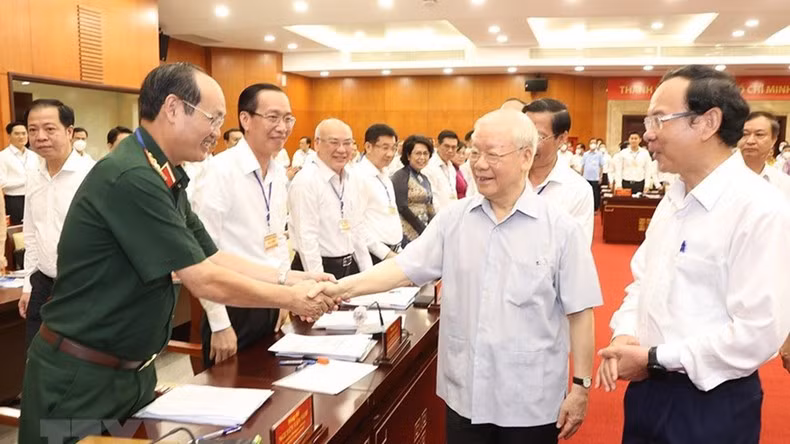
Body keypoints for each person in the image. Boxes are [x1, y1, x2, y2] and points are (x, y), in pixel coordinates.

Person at [18, 63, 338, 443]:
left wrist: (294, 278)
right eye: (212, 118)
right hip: (82, 380)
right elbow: (201, 277)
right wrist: (293, 298)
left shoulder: (163, 174)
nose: (217, 132)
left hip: (130, 374)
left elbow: (211, 255)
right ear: (173, 108)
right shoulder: (132, 177)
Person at [326, 109, 601, 444]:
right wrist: (340, 288)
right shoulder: (454, 219)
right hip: (466, 396)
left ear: (526, 157)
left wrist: (581, 387)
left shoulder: (561, 229)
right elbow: (403, 269)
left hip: (531, 399)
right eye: (474, 152)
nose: (480, 164)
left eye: (492, 154)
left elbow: (580, 312)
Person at [597, 65, 790, 444]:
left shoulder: (761, 208)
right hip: (647, 390)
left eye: (659, 119)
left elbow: (758, 332)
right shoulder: (674, 198)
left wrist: (656, 358)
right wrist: (625, 334)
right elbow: (643, 282)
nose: (648, 133)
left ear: (707, 123)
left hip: (711, 402)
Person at [192, 83, 314, 367]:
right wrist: (219, 323)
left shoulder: (277, 173)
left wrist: (284, 298)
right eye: (272, 117)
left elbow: (279, 239)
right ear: (245, 120)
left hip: (271, 298)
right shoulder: (219, 171)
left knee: (269, 389)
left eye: (288, 119)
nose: (282, 127)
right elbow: (201, 253)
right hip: (233, 305)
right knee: (231, 392)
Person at [17, 99, 95, 353]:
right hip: (43, 283)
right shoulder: (33, 175)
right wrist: (28, 285)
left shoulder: (91, 175)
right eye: (32, 130)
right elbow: (31, 234)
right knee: (36, 356)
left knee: (78, 361)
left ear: (69, 132)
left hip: (84, 285)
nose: (40, 137)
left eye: (49, 129)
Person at [288, 118, 373, 279]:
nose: (342, 150)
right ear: (317, 144)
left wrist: (368, 274)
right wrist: (321, 283)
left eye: (347, 143)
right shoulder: (306, 181)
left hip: (349, 267)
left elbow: (357, 228)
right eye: (334, 142)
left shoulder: (352, 177)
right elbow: (307, 239)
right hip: (317, 270)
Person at [524, 98, 594, 246]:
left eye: (538, 137)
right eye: (524, 134)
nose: (527, 144)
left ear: (562, 138)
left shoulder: (578, 190)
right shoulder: (506, 177)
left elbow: (577, 250)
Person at [356, 123, 403, 265]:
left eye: (393, 148)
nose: (390, 154)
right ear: (368, 147)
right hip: (375, 256)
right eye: (385, 148)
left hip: (394, 252)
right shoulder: (359, 176)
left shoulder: (384, 174)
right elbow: (357, 226)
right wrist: (386, 254)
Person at [392, 135, 436, 246]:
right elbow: (402, 207)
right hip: (407, 233)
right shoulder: (400, 176)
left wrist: (434, 227)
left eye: (425, 153)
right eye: (418, 153)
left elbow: (429, 205)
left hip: (424, 232)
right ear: (408, 155)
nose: (422, 157)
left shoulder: (424, 178)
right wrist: (422, 229)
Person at [739, 111, 790, 200]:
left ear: (774, 140)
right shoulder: (719, 177)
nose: (750, 141)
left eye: (759, 134)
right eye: (745, 134)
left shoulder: (784, 183)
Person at [1, 121, 39, 225]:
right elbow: (2, 183)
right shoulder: (3, 156)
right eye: (17, 134)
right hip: (14, 200)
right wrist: (25, 181)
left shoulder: (33, 155)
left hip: (34, 197)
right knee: (18, 229)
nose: (21, 136)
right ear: (9, 136)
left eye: (24, 133)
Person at [422, 130, 459, 212]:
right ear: (438, 145)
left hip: (453, 213)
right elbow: (432, 198)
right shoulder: (429, 166)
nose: (450, 150)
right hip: (439, 216)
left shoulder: (451, 166)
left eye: (453, 147)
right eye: (447, 146)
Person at [581, 142, 604, 210]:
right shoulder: (585, 154)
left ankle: (595, 208)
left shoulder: (599, 154)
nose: (592, 145)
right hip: (586, 177)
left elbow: (601, 166)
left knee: (595, 193)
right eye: (591, 143)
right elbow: (583, 165)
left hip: (595, 177)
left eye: (594, 143)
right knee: (586, 193)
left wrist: (600, 176)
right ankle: (585, 207)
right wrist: (581, 175)